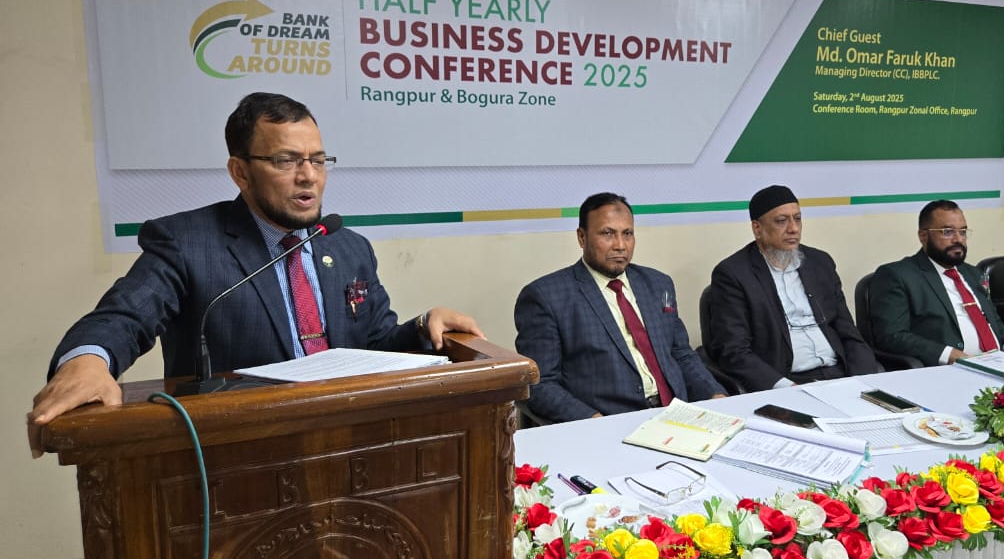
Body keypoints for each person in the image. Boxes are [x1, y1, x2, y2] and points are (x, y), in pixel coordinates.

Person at [29, 92, 482, 450]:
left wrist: (423, 327)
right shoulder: (188, 244)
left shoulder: (347, 247)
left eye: (318, 160)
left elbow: (373, 345)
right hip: (239, 458)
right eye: (286, 161)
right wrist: (87, 362)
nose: (309, 176)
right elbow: (125, 315)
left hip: (348, 447)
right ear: (240, 172)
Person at [514, 192, 724, 422]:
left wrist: (715, 395)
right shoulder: (546, 297)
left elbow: (681, 354)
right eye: (607, 233)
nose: (620, 246)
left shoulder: (657, 284)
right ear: (582, 237)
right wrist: (592, 419)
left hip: (677, 414)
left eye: (627, 234)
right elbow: (539, 383)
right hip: (610, 421)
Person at [703, 185, 878, 392]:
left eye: (798, 218)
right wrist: (787, 388)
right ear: (757, 228)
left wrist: (864, 380)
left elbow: (848, 332)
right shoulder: (734, 274)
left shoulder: (820, 263)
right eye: (781, 221)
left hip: (841, 374)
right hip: (788, 380)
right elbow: (734, 351)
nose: (793, 228)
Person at [868, 200, 1004, 365]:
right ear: (923, 236)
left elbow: (994, 321)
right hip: (950, 368)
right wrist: (948, 354)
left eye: (963, 232)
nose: (958, 239)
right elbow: (892, 335)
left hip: (1000, 363)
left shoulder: (974, 273)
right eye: (948, 232)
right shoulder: (897, 275)